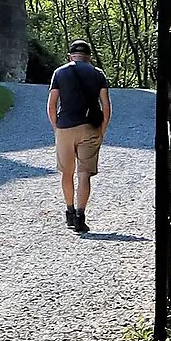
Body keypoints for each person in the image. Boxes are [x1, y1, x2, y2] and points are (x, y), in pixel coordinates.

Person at [46, 39, 112, 232]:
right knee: (84, 174)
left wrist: (56, 127)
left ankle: (69, 211)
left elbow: (51, 105)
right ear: (89, 57)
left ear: (70, 56)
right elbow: (106, 106)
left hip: (65, 128)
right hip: (90, 128)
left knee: (67, 172)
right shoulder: (98, 74)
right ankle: (80, 216)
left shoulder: (60, 73)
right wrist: (102, 128)